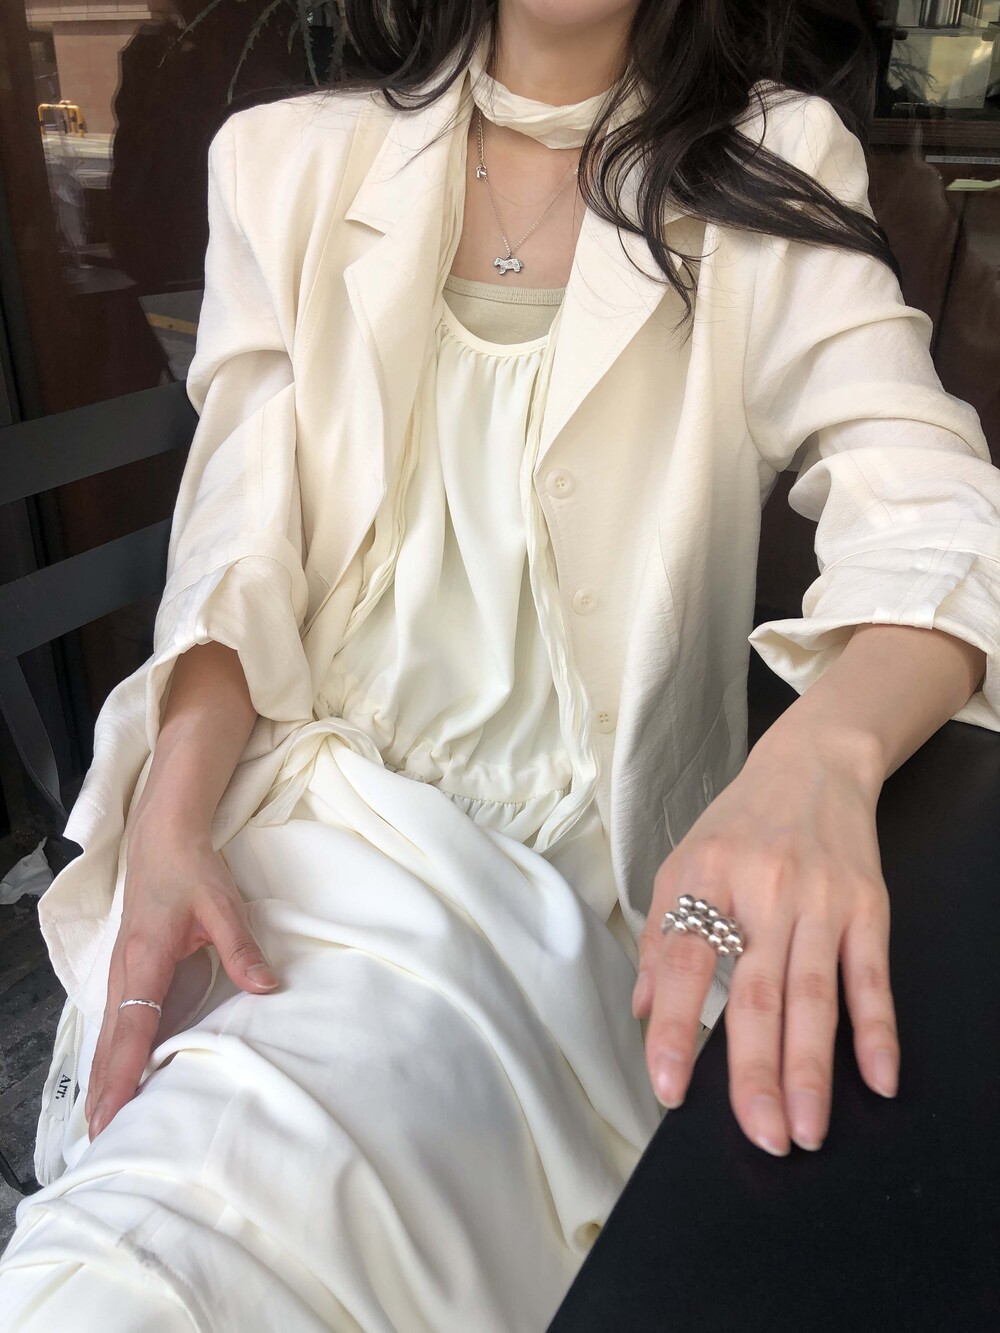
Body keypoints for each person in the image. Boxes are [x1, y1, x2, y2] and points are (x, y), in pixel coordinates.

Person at [2, 1, 998, 1328]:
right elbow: (238, 546)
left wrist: (820, 758)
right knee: (156, 1252)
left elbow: (932, 500)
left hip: (594, 889)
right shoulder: (284, 163)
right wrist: (171, 815)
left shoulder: (770, 159)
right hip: (303, 831)